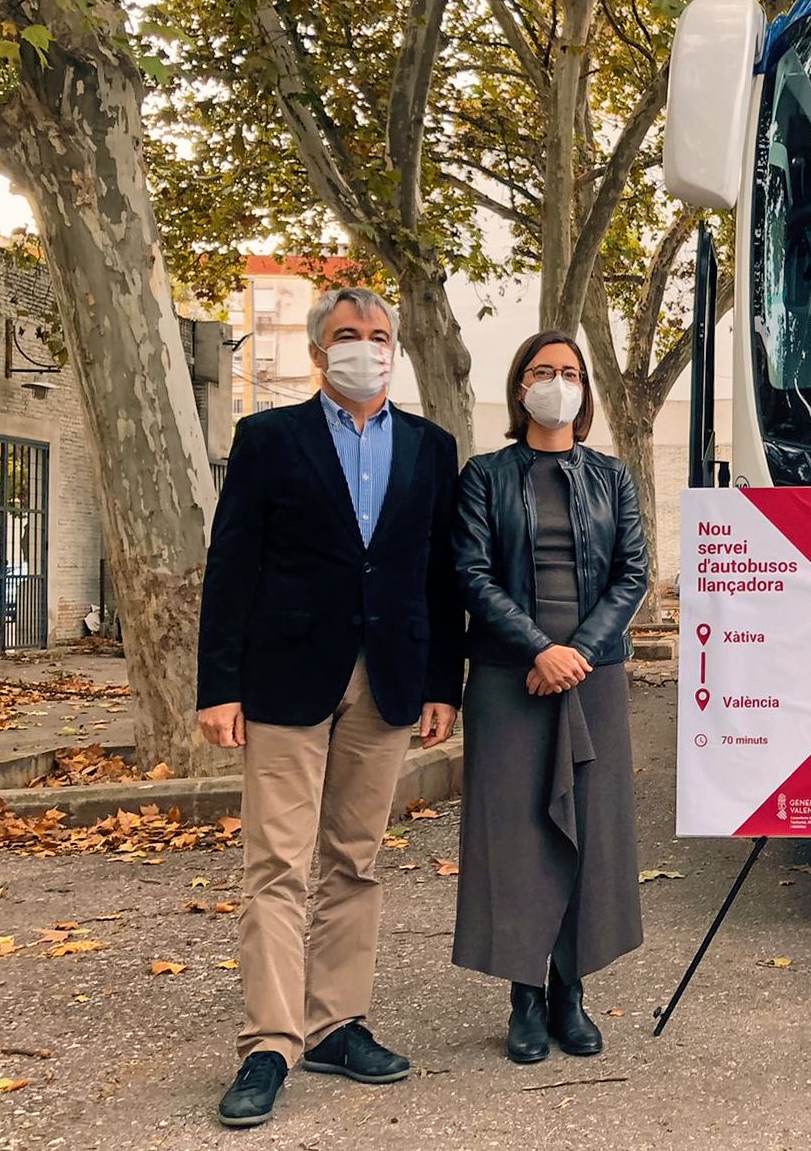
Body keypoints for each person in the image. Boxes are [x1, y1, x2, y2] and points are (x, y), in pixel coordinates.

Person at [197, 287, 464, 1128]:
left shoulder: (430, 446)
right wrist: (218, 684)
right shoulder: (267, 438)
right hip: (283, 678)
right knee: (277, 863)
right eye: (348, 335)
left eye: (379, 335)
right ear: (319, 352)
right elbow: (232, 561)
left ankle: (336, 1022)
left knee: (356, 858)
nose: (365, 347)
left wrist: (440, 684)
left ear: (395, 347)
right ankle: (270, 1043)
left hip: (387, 678)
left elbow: (438, 573)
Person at [450, 331, 649, 1065]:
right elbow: (472, 573)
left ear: (584, 390)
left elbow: (632, 574)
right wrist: (538, 648)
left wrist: (577, 654)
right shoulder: (485, 475)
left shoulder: (614, 477)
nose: (556, 382)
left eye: (569, 372)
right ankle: (524, 998)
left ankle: (571, 994)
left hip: (592, 676)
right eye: (542, 370)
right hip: (511, 677)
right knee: (515, 839)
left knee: (590, 833)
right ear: (519, 385)